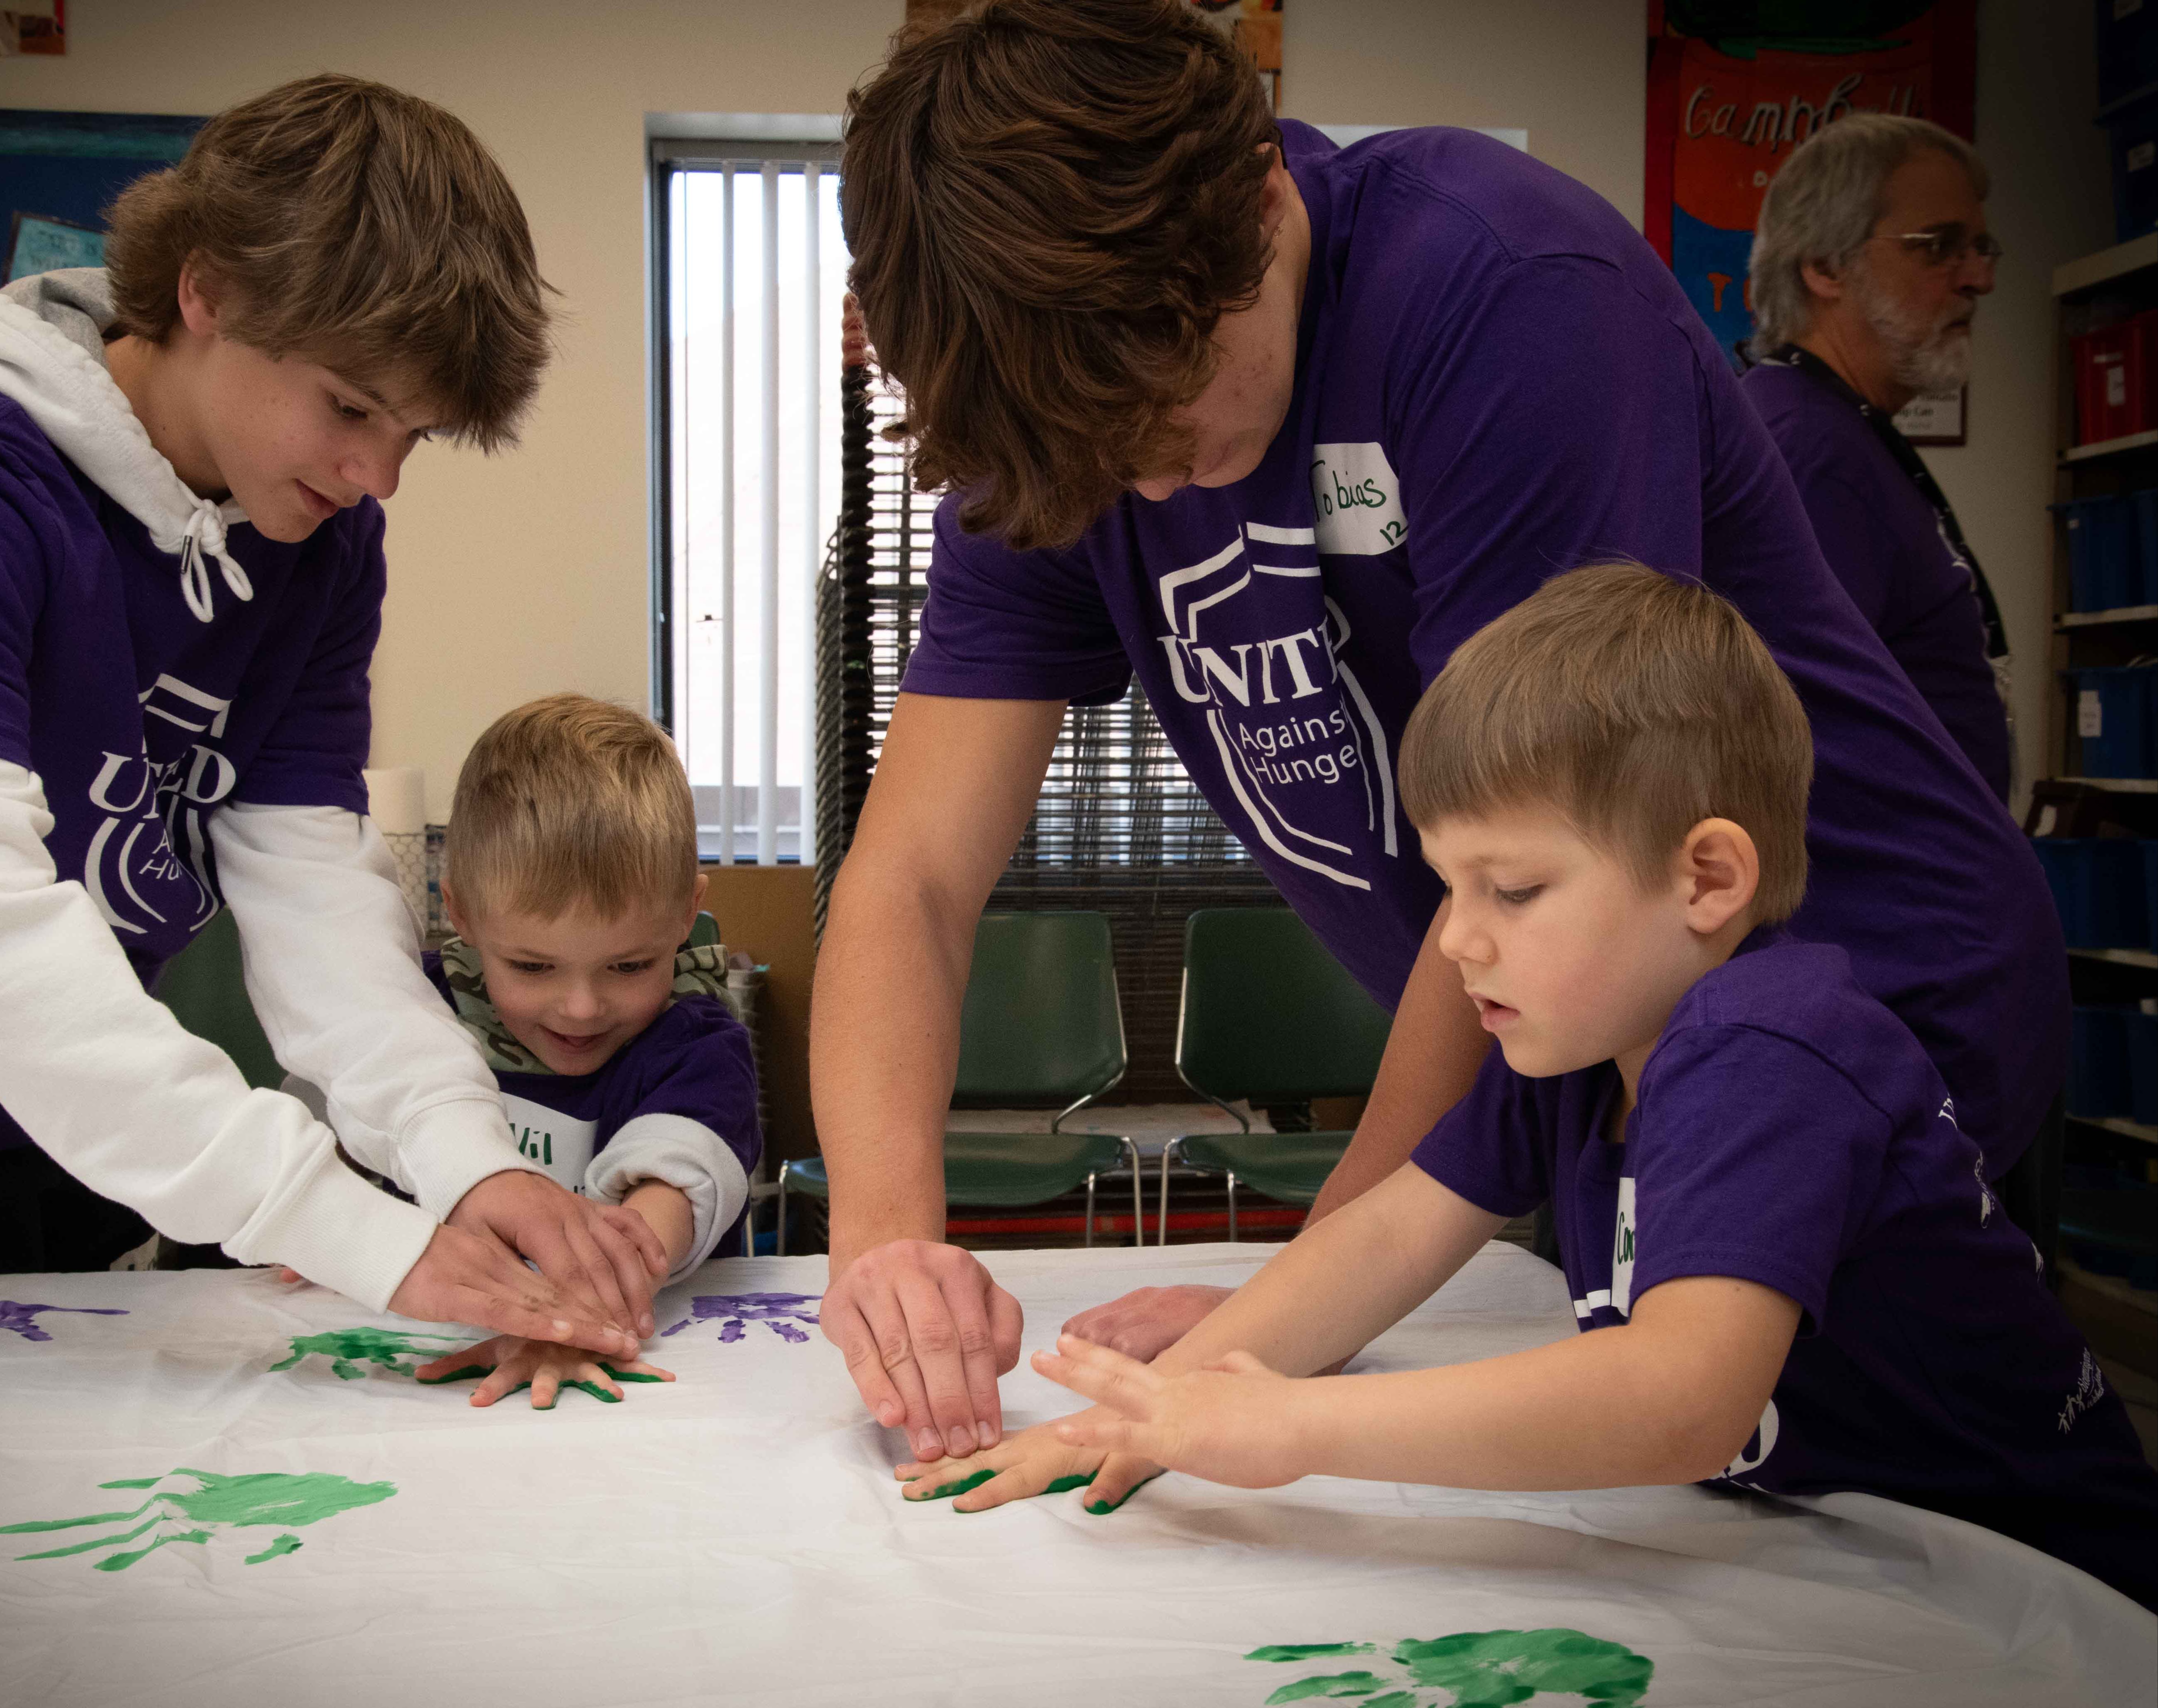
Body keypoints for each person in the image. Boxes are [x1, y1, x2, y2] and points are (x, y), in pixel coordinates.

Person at [813, 0, 2066, 1468]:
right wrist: (885, 1249)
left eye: (1168, 419)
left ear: (1261, 200)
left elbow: (1543, 847)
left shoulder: (1502, 294)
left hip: (1855, 980)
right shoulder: (1054, 398)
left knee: (1864, 1497)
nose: (1149, 491)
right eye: (1099, 465)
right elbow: (910, 880)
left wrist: (1282, 1339)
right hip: (1568, 1040)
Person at [898, 565, 2158, 1611]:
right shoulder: (1572, 1042)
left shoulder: (1767, 1050)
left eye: (1511, 891)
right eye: (1448, 888)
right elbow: (1384, 1235)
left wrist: (1293, 1430)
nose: (1455, 941)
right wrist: (1147, 1412)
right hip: (1848, 1554)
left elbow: (1675, 1401)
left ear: (1706, 879)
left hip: (2039, 1580)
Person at [0, 76, 657, 1359]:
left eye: (414, 434)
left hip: (97, 1056)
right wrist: (347, 1229)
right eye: (351, 407)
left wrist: (462, 1160)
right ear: (207, 291)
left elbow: (307, 879)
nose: (376, 477)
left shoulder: (319, 540)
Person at [332, 696, 760, 1408]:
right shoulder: (407, 1017)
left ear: (687, 912)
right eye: (532, 968)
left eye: (628, 967)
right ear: (460, 912)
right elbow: (333, 1135)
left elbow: (664, 1203)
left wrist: (571, 1319)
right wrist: (329, 1225)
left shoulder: (698, 1048)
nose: (582, 1007)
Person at [1741, 113, 2014, 801]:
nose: (1977, 278)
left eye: (1981, 247)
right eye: (1940, 246)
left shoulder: (1834, 430)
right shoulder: (1808, 454)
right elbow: (1773, 752)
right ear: (1825, 266)